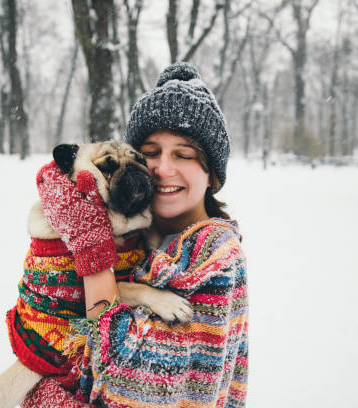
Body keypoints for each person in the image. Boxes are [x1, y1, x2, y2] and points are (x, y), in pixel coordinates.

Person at [25, 62, 248, 407]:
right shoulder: (146, 237)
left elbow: (131, 383)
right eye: (150, 154)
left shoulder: (214, 256)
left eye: (184, 154)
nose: (162, 169)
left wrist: (91, 249)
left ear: (212, 175)